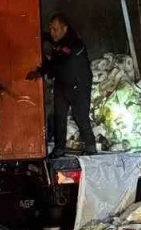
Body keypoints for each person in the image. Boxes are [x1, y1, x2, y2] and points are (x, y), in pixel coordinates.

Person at [26, 13, 97, 158]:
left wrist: (41, 71)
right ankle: (59, 149)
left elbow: (59, 62)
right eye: (51, 29)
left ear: (64, 29)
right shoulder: (57, 38)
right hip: (62, 84)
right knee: (59, 117)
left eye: (55, 29)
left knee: (80, 116)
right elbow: (46, 38)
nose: (52, 33)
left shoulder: (74, 44)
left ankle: (90, 146)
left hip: (79, 86)